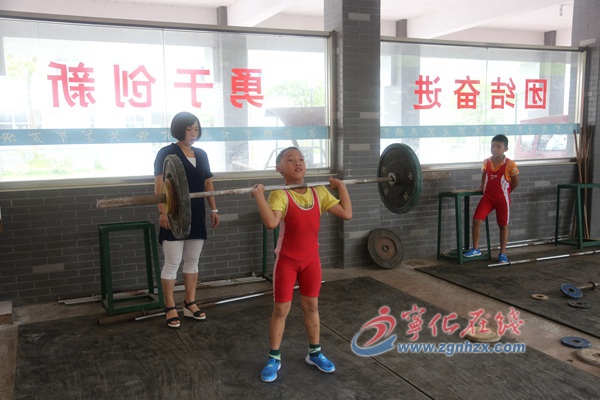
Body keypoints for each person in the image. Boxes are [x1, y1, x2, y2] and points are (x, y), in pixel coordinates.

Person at [250, 146, 352, 383]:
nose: (297, 163)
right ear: (279, 168)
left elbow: (347, 214)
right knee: (281, 310)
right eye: (290, 160)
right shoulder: (280, 195)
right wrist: (259, 196)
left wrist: (342, 187)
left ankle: (314, 353)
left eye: (301, 159)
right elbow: (271, 223)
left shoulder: (319, 192)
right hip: (287, 262)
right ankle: (274, 358)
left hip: (311, 261)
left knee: (312, 307)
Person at [154, 111, 219, 329]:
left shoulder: (201, 154)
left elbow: (208, 183)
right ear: (179, 130)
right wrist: (162, 212)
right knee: (172, 262)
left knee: (192, 261)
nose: (193, 133)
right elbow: (159, 184)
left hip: (197, 213)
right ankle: (169, 306)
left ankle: (189, 302)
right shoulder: (166, 152)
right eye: (189, 129)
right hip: (173, 215)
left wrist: (214, 209)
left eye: (196, 129)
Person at [464, 134, 519, 263]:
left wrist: (506, 193)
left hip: (502, 200)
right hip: (487, 198)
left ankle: (502, 253)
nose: (495, 149)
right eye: (492, 146)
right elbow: (484, 175)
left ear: (505, 149)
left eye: (498, 147)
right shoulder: (486, 162)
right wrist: (481, 187)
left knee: (503, 226)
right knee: (477, 219)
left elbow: (515, 183)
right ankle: (476, 249)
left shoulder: (510, 164)